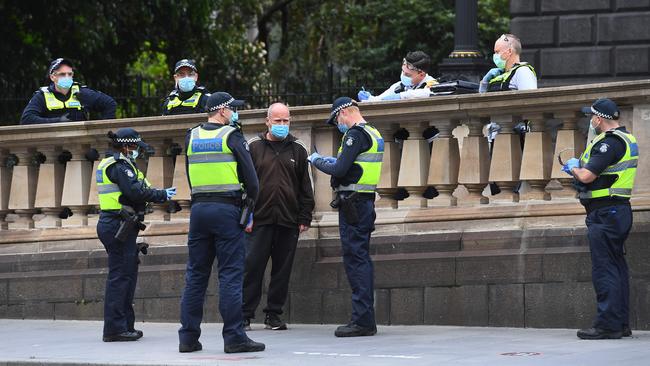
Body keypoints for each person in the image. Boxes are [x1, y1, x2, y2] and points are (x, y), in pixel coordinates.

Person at [178, 92, 265, 354]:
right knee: (230, 274)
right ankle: (234, 337)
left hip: (199, 210)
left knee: (195, 275)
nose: (235, 113)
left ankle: (188, 338)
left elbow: (190, 176)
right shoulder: (231, 135)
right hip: (227, 211)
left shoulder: (192, 135)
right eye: (232, 109)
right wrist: (249, 207)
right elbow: (252, 181)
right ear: (222, 111)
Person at [562, 98, 637, 340]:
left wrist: (572, 167)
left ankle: (608, 326)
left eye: (591, 116)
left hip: (606, 213)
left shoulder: (609, 143)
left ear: (599, 118)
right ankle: (620, 324)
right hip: (616, 211)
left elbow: (586, 176)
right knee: (616, 269)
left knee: (605, 270)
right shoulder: (626, 138)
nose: (590, 120)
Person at [308, 97, 383, 337]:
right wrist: (335, 162)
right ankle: (365, 318)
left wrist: (318, 160)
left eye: (336, 120)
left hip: (354, 204)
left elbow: (340, 170)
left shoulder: (355, 134)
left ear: (344, 113)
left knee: (355, 260)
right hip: (364, 202)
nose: (337, 125)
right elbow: (351, 166)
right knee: (361, 258)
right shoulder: (373, 132)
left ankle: (362, 321)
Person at [95, 128, 175, 342]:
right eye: (135, 147)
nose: (137, 151)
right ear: (126, 146)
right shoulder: (119, 166)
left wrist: (155, 194)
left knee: (126, 276)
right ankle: (115, 329)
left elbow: (140, 188)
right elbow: (135, 192)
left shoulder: (119, 164)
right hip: (116, 224)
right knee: (120, 278)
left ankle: (124, 326)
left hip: (119, 224)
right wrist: (161, 194)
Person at [242, 103, 315, 331]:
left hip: (288, 220)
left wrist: (305, 217)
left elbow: (306, 186)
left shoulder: (298, 149)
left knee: (282, 271)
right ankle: (244, 314)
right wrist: (246, 216)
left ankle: (273, 314)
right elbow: (242, 184)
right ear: (267, 121)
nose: (282, 125)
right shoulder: (252, 147)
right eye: (278, 121)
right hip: (258, 220)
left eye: (286, 121)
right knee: (252, 267)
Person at [21, 58, 117, 124]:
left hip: (79, 144)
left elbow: (110, 104)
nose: (67, 77)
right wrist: (58, 121)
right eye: (62, 74)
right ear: (52, 77)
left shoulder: (81, 93)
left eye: (69, 74)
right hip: (53, 145)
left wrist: (101, 132)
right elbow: (26, 119)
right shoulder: (42, 96)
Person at [357, 51, 438, 102]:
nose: (403, 75)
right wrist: (369, 98)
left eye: (408, 74)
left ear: (421, 74)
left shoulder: (432, 84)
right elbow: (380, 99)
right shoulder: (398, 86)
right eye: (403, 71)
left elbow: (428, 93)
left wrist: (401, 96)